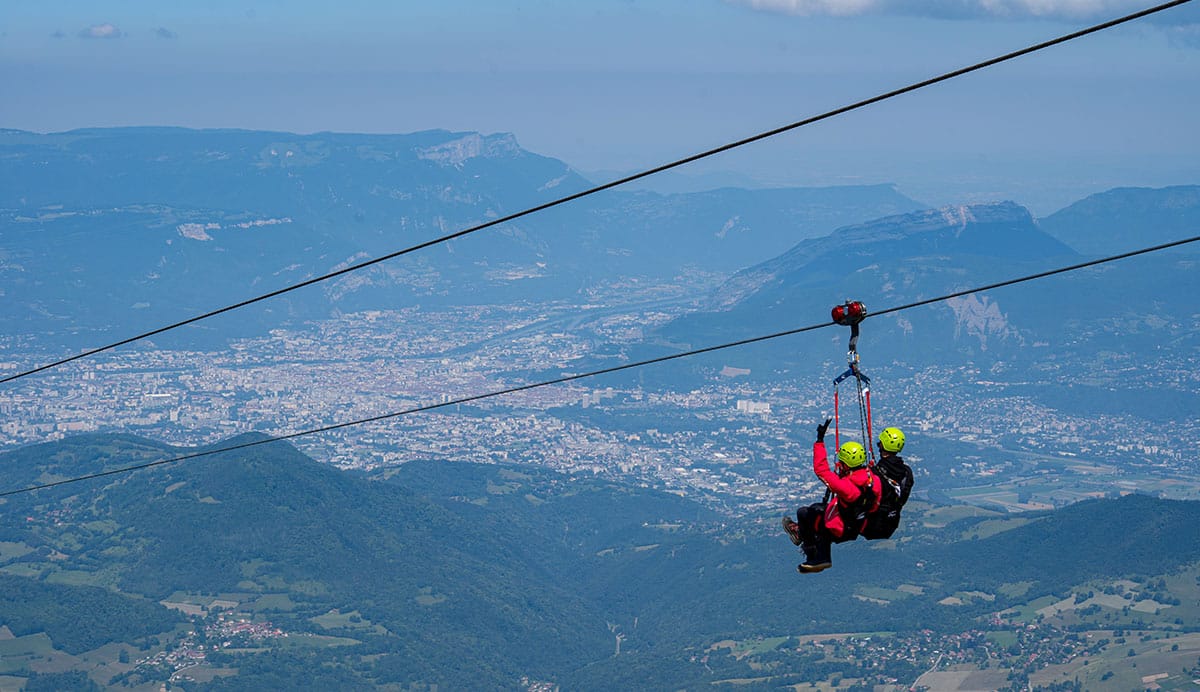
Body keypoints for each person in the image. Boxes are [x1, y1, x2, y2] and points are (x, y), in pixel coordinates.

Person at [782, 418, 880, 573]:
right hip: (858, 524)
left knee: (805, 513)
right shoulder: (872, 479)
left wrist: (819, 441)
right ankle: (802, 534)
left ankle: (813, 553)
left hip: (841, 528)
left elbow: (821, 470)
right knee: (815, 508)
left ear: (846, 464)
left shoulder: (847, 487)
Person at [861, 427, 914, 540]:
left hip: (871, 524)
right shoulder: (907, 472)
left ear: (882, 446)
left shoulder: (873, 474)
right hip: (891, 523)